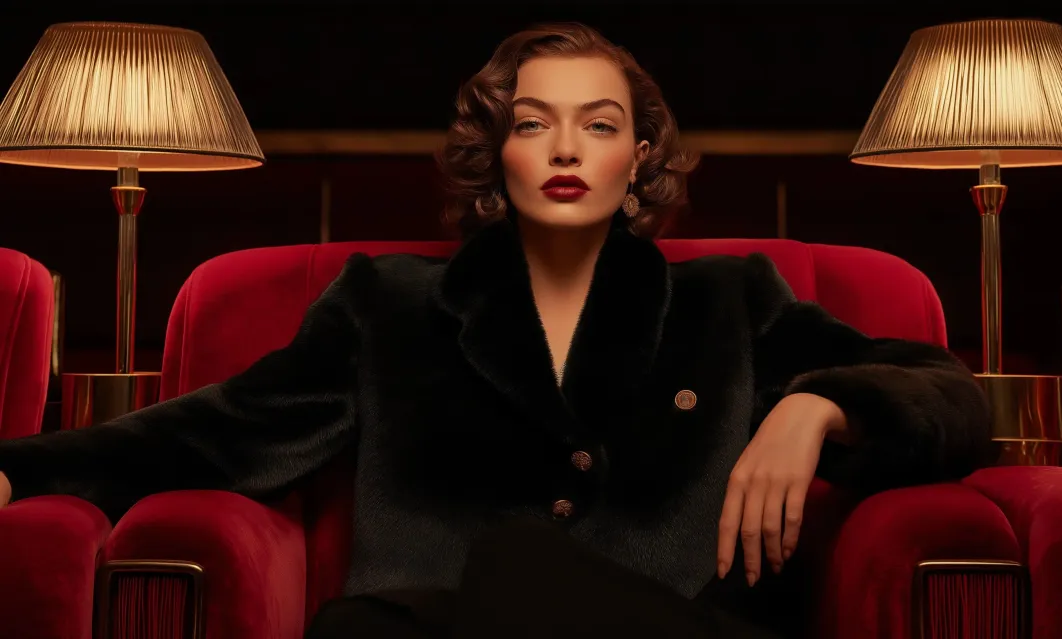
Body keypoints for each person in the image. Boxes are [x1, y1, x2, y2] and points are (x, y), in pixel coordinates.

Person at [0, 22, 993, 638]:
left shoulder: (731, 302)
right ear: (498, 150)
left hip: (679, 629)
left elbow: (950, 397)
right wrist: (22, 471)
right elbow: (217, 430)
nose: (566, 148)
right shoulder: (384, 305)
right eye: (533, 123)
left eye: (599, 125)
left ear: (639, 156)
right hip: (424, 629)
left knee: (521, 567)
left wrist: (818, 406)